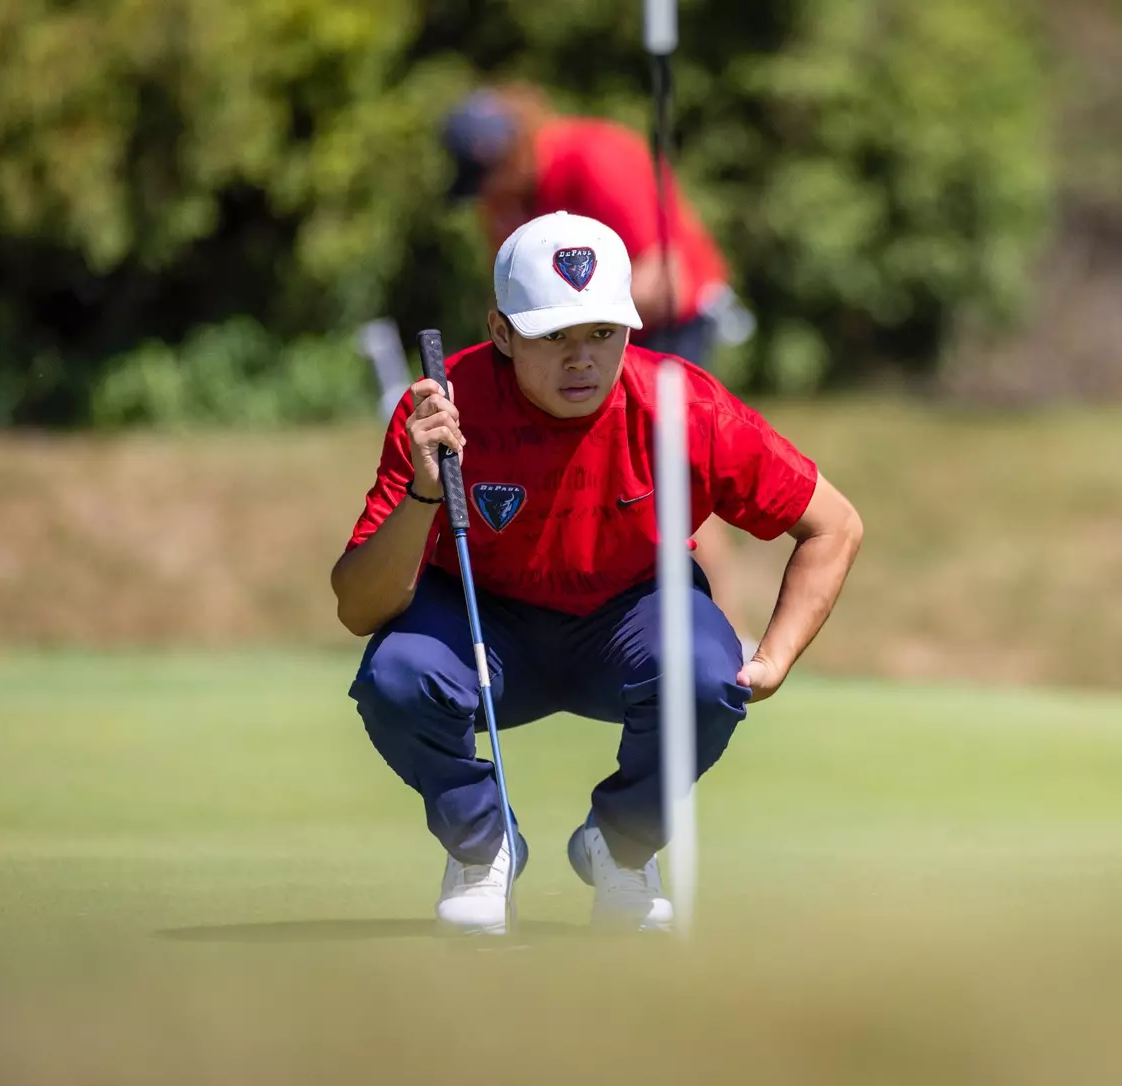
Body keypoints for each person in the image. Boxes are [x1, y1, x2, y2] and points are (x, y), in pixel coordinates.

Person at [331, 212, 863, 934]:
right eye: (554, 337)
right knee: (397, 675)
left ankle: (621, 847)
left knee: (708, 676)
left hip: (628, 615)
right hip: (481, 621)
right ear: (501, 332)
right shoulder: (441, 406)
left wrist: (773, 657)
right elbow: (359, 608)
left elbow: (833, 524)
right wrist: (427, 489)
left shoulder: (683, 403)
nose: (581, 359)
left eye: (602, 334)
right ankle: (481, 849)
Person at [438, 83, 755, 643]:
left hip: (666, 317)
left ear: (511, 153)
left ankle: (724, 631)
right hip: (589, 334)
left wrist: (593, 337)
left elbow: (666, 271)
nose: (487, 200)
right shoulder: (509, 200)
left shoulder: (595, 156)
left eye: (489, 181)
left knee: (672, 465)